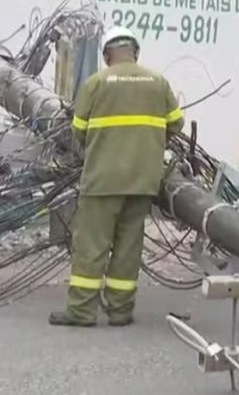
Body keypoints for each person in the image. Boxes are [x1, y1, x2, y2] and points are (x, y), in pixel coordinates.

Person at [49, 26, 184, 327]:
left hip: (103, 180)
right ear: (135, 52)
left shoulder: (97, 83)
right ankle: (120, 310)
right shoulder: (158, 82)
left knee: (92, 246)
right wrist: (149, 142)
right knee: (128, 246)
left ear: (108, 54)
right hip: (142, 181)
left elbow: (78, 131)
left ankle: (82, 311)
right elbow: (176, 124)